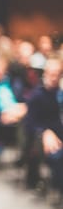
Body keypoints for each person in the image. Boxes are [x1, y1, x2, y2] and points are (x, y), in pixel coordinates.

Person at [25, 57, 63, 191]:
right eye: (51, 74)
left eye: (58, 74)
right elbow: (30, 123)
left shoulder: (60, 94)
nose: (54, 77)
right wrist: (45, 132)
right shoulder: (37, 95)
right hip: (44, 138)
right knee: (58, 156)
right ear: (45, 74)